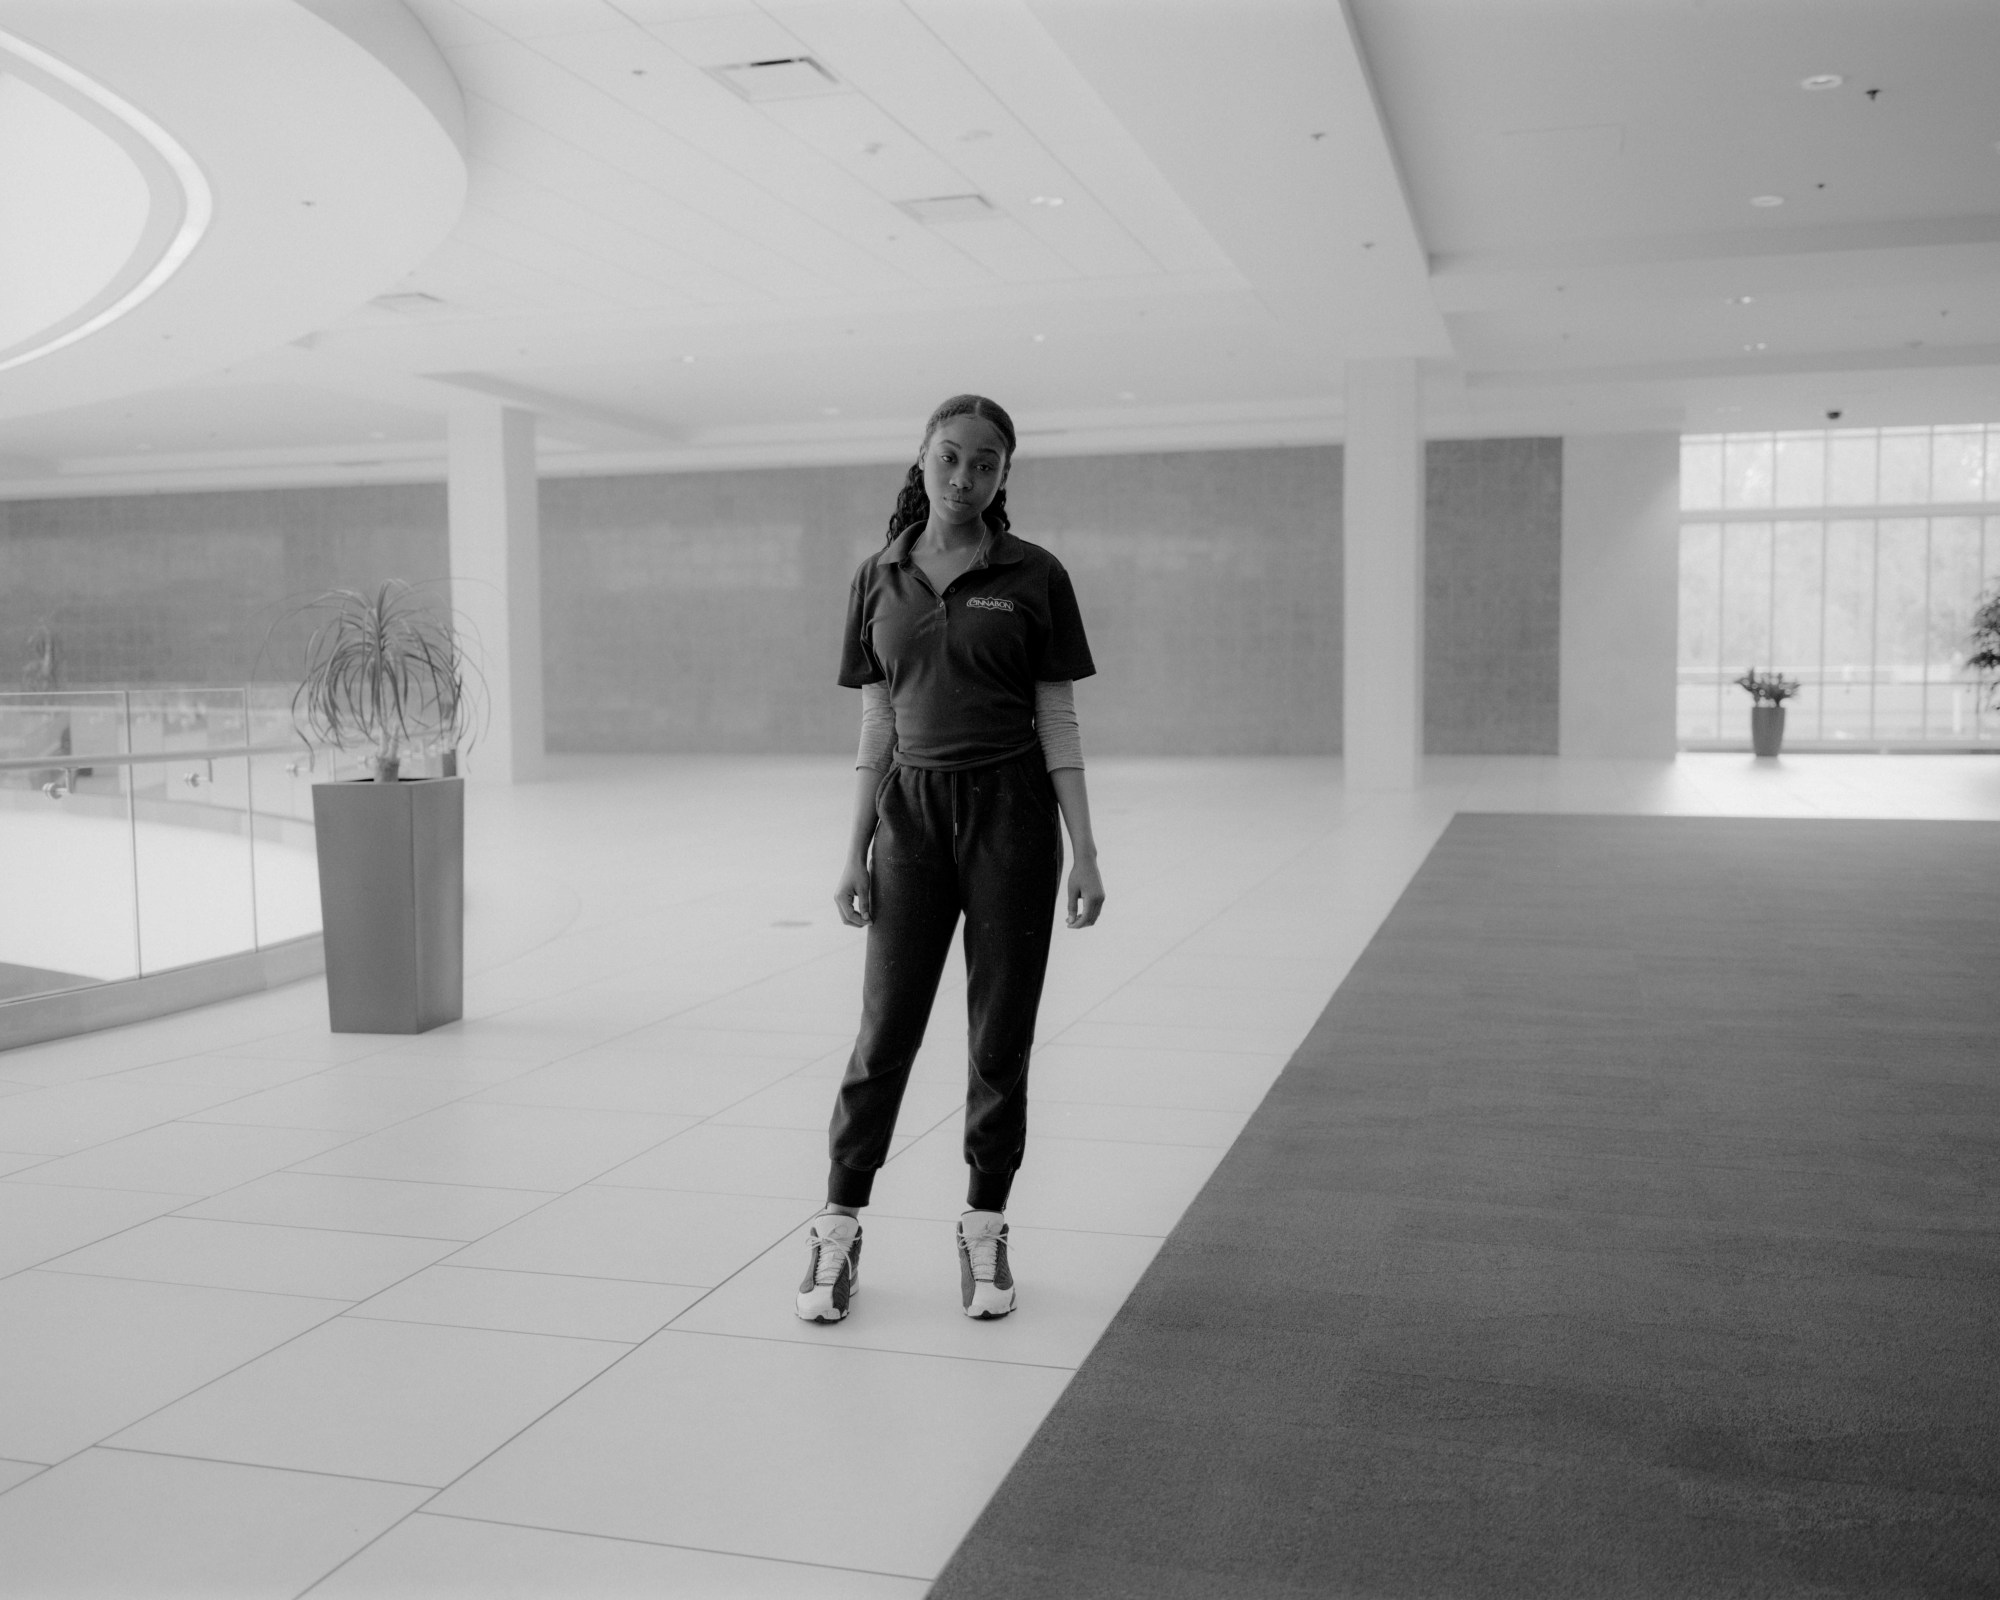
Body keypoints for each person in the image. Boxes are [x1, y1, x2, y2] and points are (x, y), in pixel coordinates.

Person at [796, 394, 1104, 1324]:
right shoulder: (879, 576)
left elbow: (1057, 717)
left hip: (1013, 816)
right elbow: (878, 719)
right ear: (921, 460)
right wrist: (854, 846)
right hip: (913, 822)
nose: (964, 477)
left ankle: (984, 1225)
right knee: (884, 1031)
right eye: (950, 458)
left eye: (985, 463)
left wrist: (1084, 846)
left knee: (999, 1036)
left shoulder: (1035, 575)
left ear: (1005, 474)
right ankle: (838, 1225)